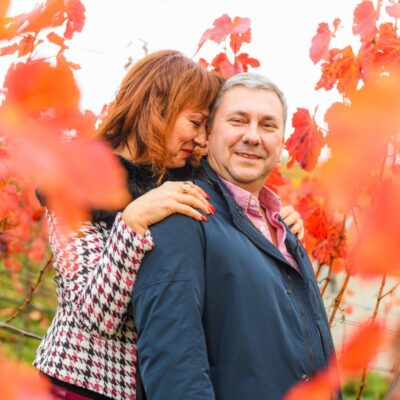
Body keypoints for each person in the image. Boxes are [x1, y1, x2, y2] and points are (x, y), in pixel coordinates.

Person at [33, 51, 304, 400]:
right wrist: (131, 224)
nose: (202, 140)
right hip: (77, 388)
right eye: (196, 123)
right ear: (158, 109)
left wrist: (272, 223)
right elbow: (93, 316)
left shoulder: (182, 182)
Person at [132, 72, 339, 400]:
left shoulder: (284, 231)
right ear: (209, 132)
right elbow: (173, 362)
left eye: (268, 125)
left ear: (281, 140)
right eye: (238, 120)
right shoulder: (185, 214)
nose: (253, 137)